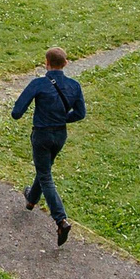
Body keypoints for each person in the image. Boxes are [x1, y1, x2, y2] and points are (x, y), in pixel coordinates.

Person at [9, 45, 84, 247]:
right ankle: (31, 199)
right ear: (66, 64)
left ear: (46, 63)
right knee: (44, 170)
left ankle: (61, 220)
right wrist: (61, 118)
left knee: (45, 176)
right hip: (60, 135)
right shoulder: (74, 86)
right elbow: (80, 113)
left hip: (41, 134)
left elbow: (16, 112)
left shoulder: (39, 84)